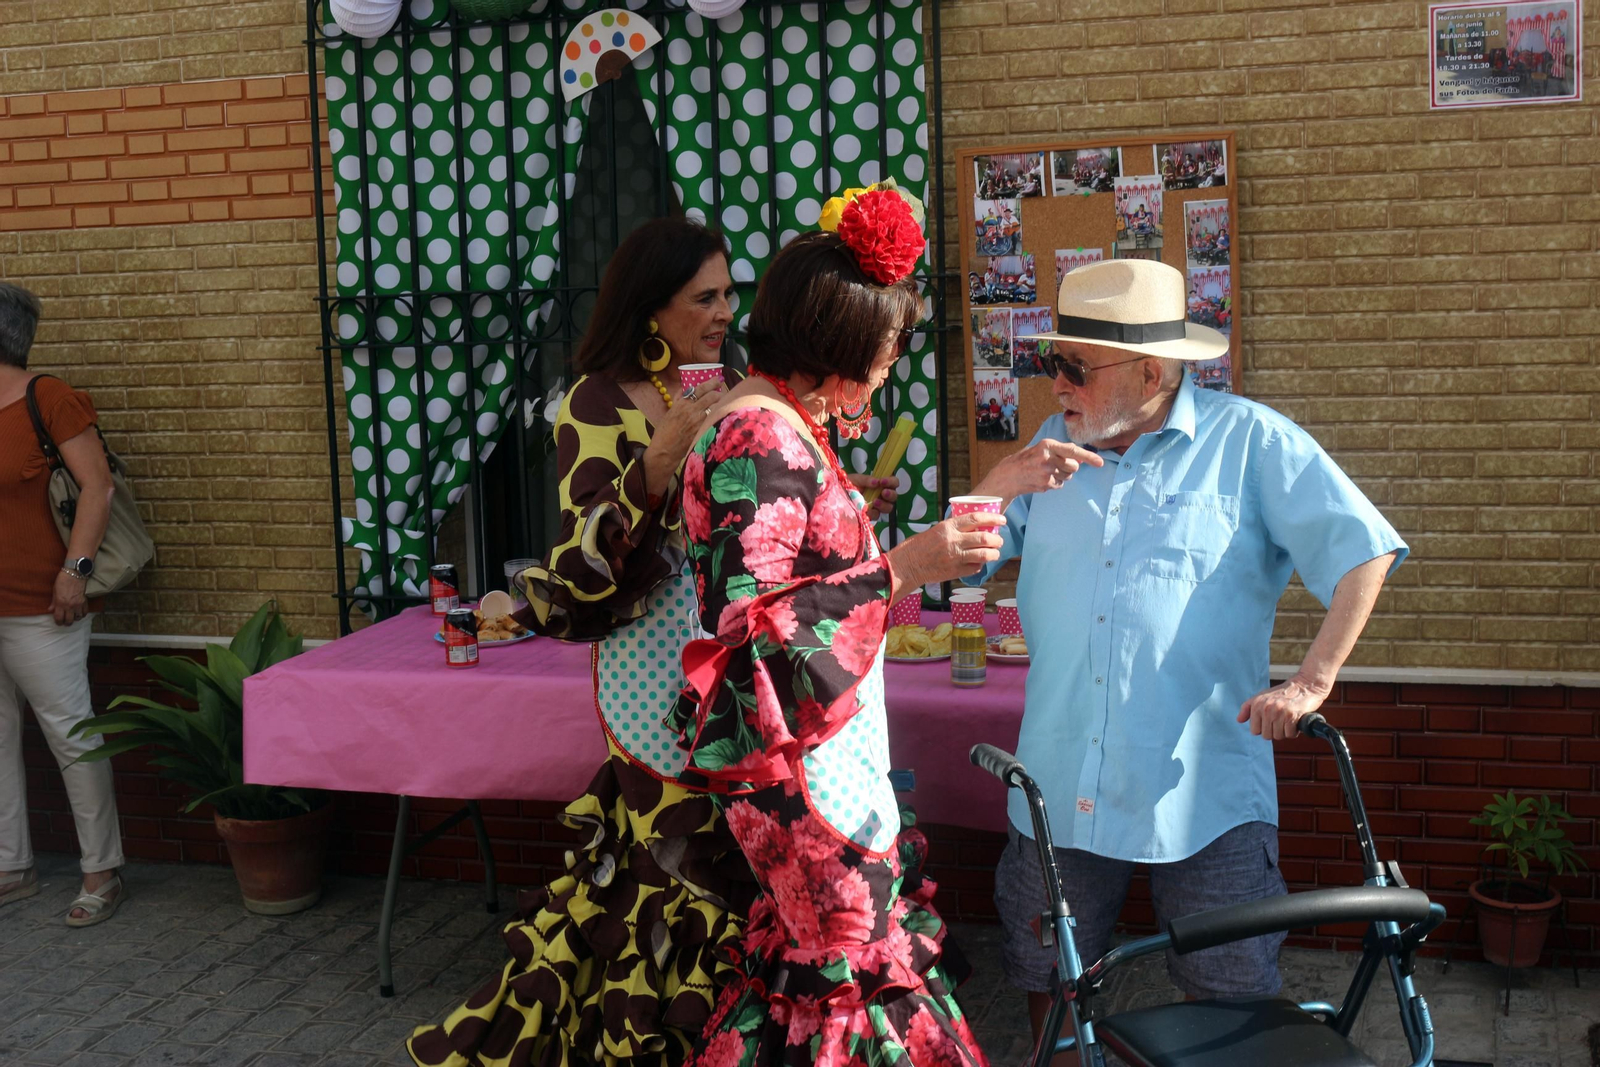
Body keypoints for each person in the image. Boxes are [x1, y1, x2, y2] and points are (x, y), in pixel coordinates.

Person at [409, 218, 894, 1067]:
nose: (723, 313)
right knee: (670, 898)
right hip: (652, 695)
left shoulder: (743, 386)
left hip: (744, 692)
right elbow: (574, 579)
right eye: (702, 297)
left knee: (753, 883)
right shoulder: (594, 401)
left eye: (729, 293)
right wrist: (657, 463)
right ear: (649, 308)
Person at [669, 189, 1069, 1067]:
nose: (891, 367)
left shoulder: (780, 425)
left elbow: (820, 595)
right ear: (838, 345)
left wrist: (983, 495)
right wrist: (905, 565)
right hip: (801, 772)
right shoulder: (757, 438)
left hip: (819, 757)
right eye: (887, 348)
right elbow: (753, 633)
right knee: (843, 968)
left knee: (825, 966)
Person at [969, 259, 1406, 1048]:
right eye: (1049, 363)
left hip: (1205, 801)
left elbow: (1364, 549)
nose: (1055, 385)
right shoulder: (1045, 448)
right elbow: (961, 558)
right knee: (1054, 988)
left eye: (1073, 367)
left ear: (1151, 370)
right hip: (1059, 786)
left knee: (1231, 1001)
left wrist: (1313, 680)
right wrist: (997, 484)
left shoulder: (1249, 443)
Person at [0, 282, 126, 927]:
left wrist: (74, 574)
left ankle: (101, 869)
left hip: (42, 608)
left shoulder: (45, 398)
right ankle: (11, 867)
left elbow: (97, 487)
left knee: (71, 736)